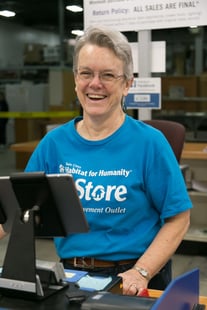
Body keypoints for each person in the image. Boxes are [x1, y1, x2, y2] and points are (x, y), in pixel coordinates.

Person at [25, 26, 192, 296]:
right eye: (86, 73)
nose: (95, 84)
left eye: (108, 75)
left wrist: (141, 271)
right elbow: (15, 210)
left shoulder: (150, 144)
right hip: (69, 278)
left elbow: (179, 218)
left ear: (127, 84)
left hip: (132, 279)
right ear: (76, 79)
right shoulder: (54, 144)